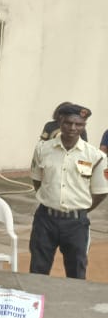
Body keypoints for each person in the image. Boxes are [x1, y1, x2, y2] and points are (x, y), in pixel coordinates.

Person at [28, 102, 107, 279]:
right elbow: (37, 180)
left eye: (78, 124)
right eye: (68, 123)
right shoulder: (43, 149)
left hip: (76, 224)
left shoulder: (96, 156)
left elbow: (101, 191)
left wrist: (81, 209)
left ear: (84, 126)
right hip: (45, 220)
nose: (73, 128)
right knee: (38, 271)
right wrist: (50, 198)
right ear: (60, 122)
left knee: (76, 273)